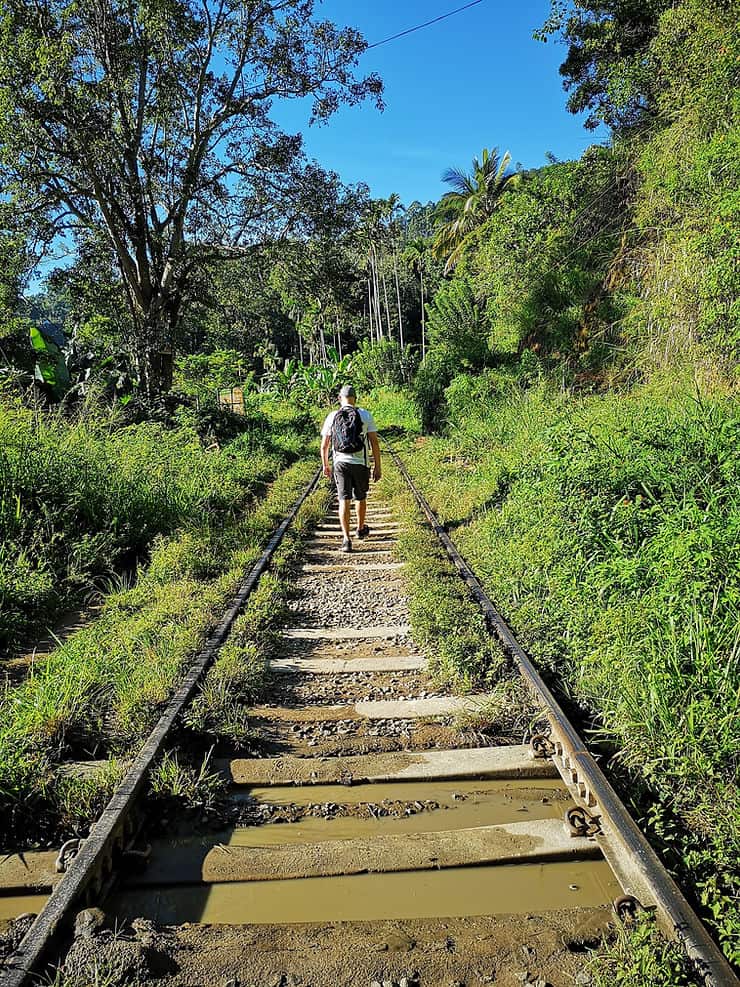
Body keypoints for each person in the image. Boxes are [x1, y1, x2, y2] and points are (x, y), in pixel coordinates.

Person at [320, 384, 382, 552]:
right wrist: (378, 466)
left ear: (340, 399)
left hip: (340, 464)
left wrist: (326, 465)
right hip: (360, 464)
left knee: (343, 500)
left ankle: (346, 539)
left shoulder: (332, 416)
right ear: (355, 398)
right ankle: (360, 528)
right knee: (360, 497)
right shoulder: (365, 415)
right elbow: (374, 443)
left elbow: (325, 445)